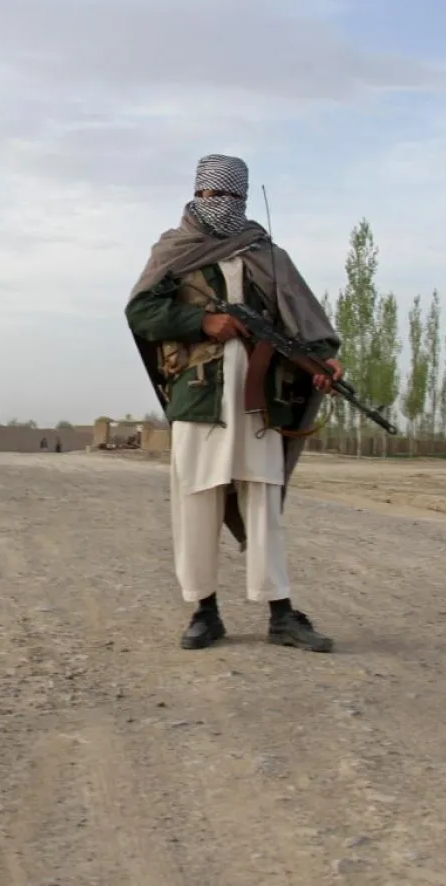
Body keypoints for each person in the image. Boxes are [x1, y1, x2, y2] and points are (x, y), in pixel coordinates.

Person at [125, 154, 343, 653]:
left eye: (229, 196)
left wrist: (324, 360)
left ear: (244, 198)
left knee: (263, 503)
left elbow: (303, 319)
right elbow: (142, 312)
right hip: (199, 398)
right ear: (196, 194)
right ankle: (204, 611)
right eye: (210, 194)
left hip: (259, 403)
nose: (219, 204)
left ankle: (281, 613)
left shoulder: (267, 255)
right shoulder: (174, 251)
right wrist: (201, 322)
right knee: (197, 504)